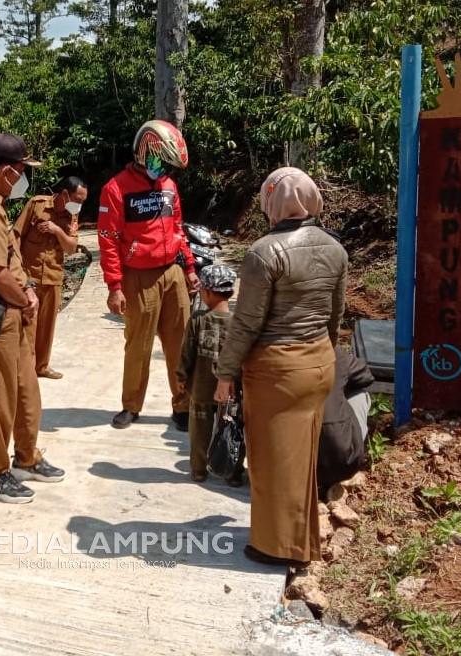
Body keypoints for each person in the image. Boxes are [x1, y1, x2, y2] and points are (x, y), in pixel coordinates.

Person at [214, 166, 348, 568]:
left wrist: (225, 373)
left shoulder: (263, 253)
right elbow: (335, 315)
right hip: (318, 361)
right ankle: (301, 538)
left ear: (271, 202)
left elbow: (247, 322)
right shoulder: (335, 248)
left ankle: (277, 547)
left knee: (273, 461)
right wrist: (324, 354)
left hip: (277, 370)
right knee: (300, 456)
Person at [0, 133, 65, 503]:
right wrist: (26, 296)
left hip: (12, 309)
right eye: (21, 171)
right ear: (6, 172)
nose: (24, 178)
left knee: (24, 388)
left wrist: (28, 291)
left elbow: (12, 263)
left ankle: (26, 457)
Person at [98, 119, 199, 431]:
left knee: (180, 343)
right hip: (138, 277)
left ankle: (182, 405)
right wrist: (115, 286)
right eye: (163, 162)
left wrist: (190, 268)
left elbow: (179, 229)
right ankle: (131, 406)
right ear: (146, 153)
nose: (165, 170)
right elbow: (108, 240)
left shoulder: (169, 186)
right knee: (138, 344)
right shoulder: (115, 189)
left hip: (173, 272)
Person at [13, 176, 87, 379]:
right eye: (77, 200)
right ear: (64, 194)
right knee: (29, 323)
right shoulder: (37, 205)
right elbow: (17, 234)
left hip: (54, 276)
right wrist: (17, 268)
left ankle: (42, 366)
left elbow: (71, 248)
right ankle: (26, 368)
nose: (79, 205)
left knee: (47, 325)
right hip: (31, 276)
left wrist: (56, 231)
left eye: (82, 202)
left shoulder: (71, 217)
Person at [176, 265, 237, 482]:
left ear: (208, 292)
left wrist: (181, 376)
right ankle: (234, 472)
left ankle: (199, 469)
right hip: (232, 390)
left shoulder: (197, 319)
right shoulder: (239, 323)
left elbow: (187, 352)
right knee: (232, 428)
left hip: (201, 387)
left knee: (199, 431)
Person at [318, 346, 374, 496]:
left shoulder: (272, 354)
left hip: (287, 466)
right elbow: (366, 377)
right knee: (359, 393)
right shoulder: (334, 353)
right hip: (343, 462)